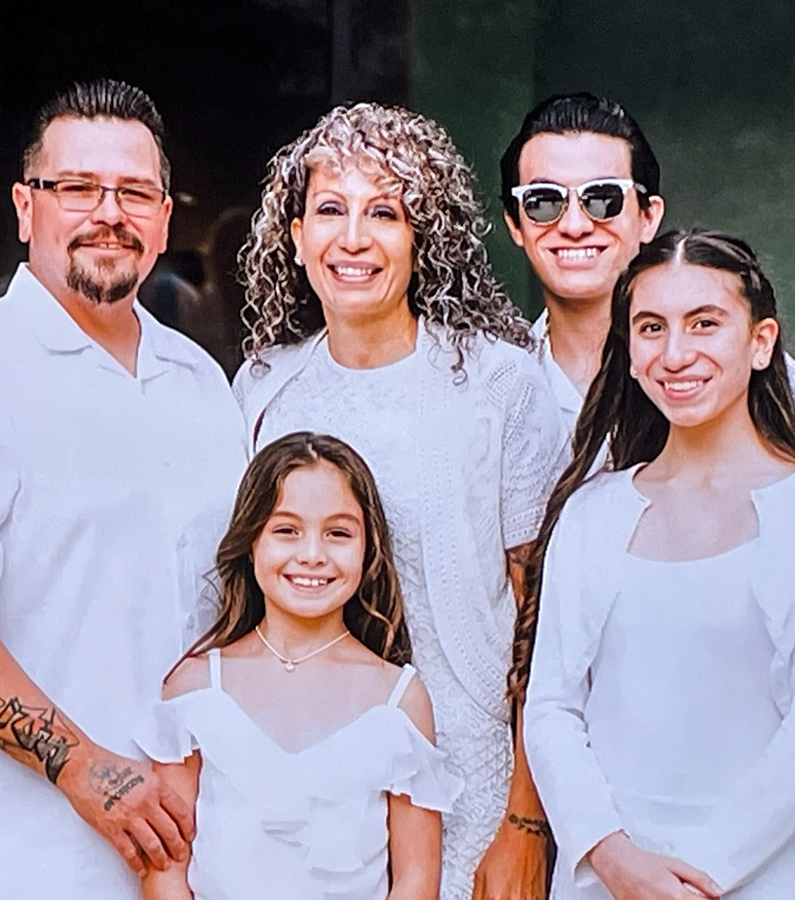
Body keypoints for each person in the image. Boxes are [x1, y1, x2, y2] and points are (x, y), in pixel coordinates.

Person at [0, 79, 246, 899]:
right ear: (24, 207)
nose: (108, 213)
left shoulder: (201, 384)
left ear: (163, 219)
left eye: (134, 192)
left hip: (201, 855)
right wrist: (84, 768)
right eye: (77, 188)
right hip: (17, 859)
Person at [234, 102, 569, 900]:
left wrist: (525, 821)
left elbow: (547, 618)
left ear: (424, 237)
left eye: (384, 212)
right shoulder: (263, 388)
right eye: (330, 210)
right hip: (309, 789)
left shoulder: (499, 383)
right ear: (295, 236)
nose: (353, 238)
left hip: (473, 782)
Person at [516, 230, 795, 900]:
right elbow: (551, 705)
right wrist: (612, 857)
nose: (675, 354)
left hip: (764, 874)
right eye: (651, 327)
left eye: (705, 323)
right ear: (630, 351)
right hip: (606, 880)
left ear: (761, 342)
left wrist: (700, 877)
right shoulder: (592, 514)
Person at [137, 431, 462, 900]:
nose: (312, 555)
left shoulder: (399, 699)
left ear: (368, 548)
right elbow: (166, 867)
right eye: (287, 530)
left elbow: (415, 879)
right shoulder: (194, 687)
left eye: (338, 533)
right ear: (251, 541)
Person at [500, 93, 665, 431]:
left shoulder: (713, 369)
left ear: (648, 217)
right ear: (515, 225)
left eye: (603, 198)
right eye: (543, 202)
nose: (574, 226)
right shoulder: (487, 384)